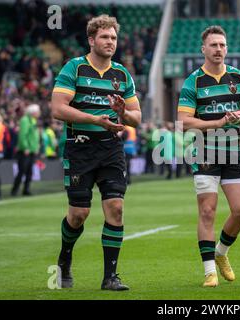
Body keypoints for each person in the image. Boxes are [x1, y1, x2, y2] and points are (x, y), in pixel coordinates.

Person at [51, 15, 142, 291]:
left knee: (115, 208)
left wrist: (121, 112)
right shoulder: (74, 68)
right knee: (79, 213)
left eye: (113, 38)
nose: (110, 42)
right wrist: (95, 120)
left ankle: (110, 277)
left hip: (111, 148)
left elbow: (137, 118)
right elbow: (57, 109)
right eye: (104, 37)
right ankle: (64, 260)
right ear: (91, 40)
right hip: (80, 147)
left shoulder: (122, 74)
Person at [177, 26, 240, 287]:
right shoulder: (193, 81)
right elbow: (184, 121)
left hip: (235, 151)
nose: (218, 49)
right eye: (213, 45)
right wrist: (219, 122)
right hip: (205, 152)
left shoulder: (239, 77)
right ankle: (209, 271)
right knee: (208, 211)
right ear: (204, 49)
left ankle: (221, 253)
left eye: (222, 45)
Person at [11, 104, 40, 196]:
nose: (39, 113)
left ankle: (26, 189)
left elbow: (34, 136)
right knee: (22, 171)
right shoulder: (25, 120)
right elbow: (22, 135)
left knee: (29, 171)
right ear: (33, 112)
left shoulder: (33, 120)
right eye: (37, 111)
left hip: (31, 151)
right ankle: (14, 190)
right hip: (25, 151)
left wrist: (36, 148)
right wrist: (25, 147)